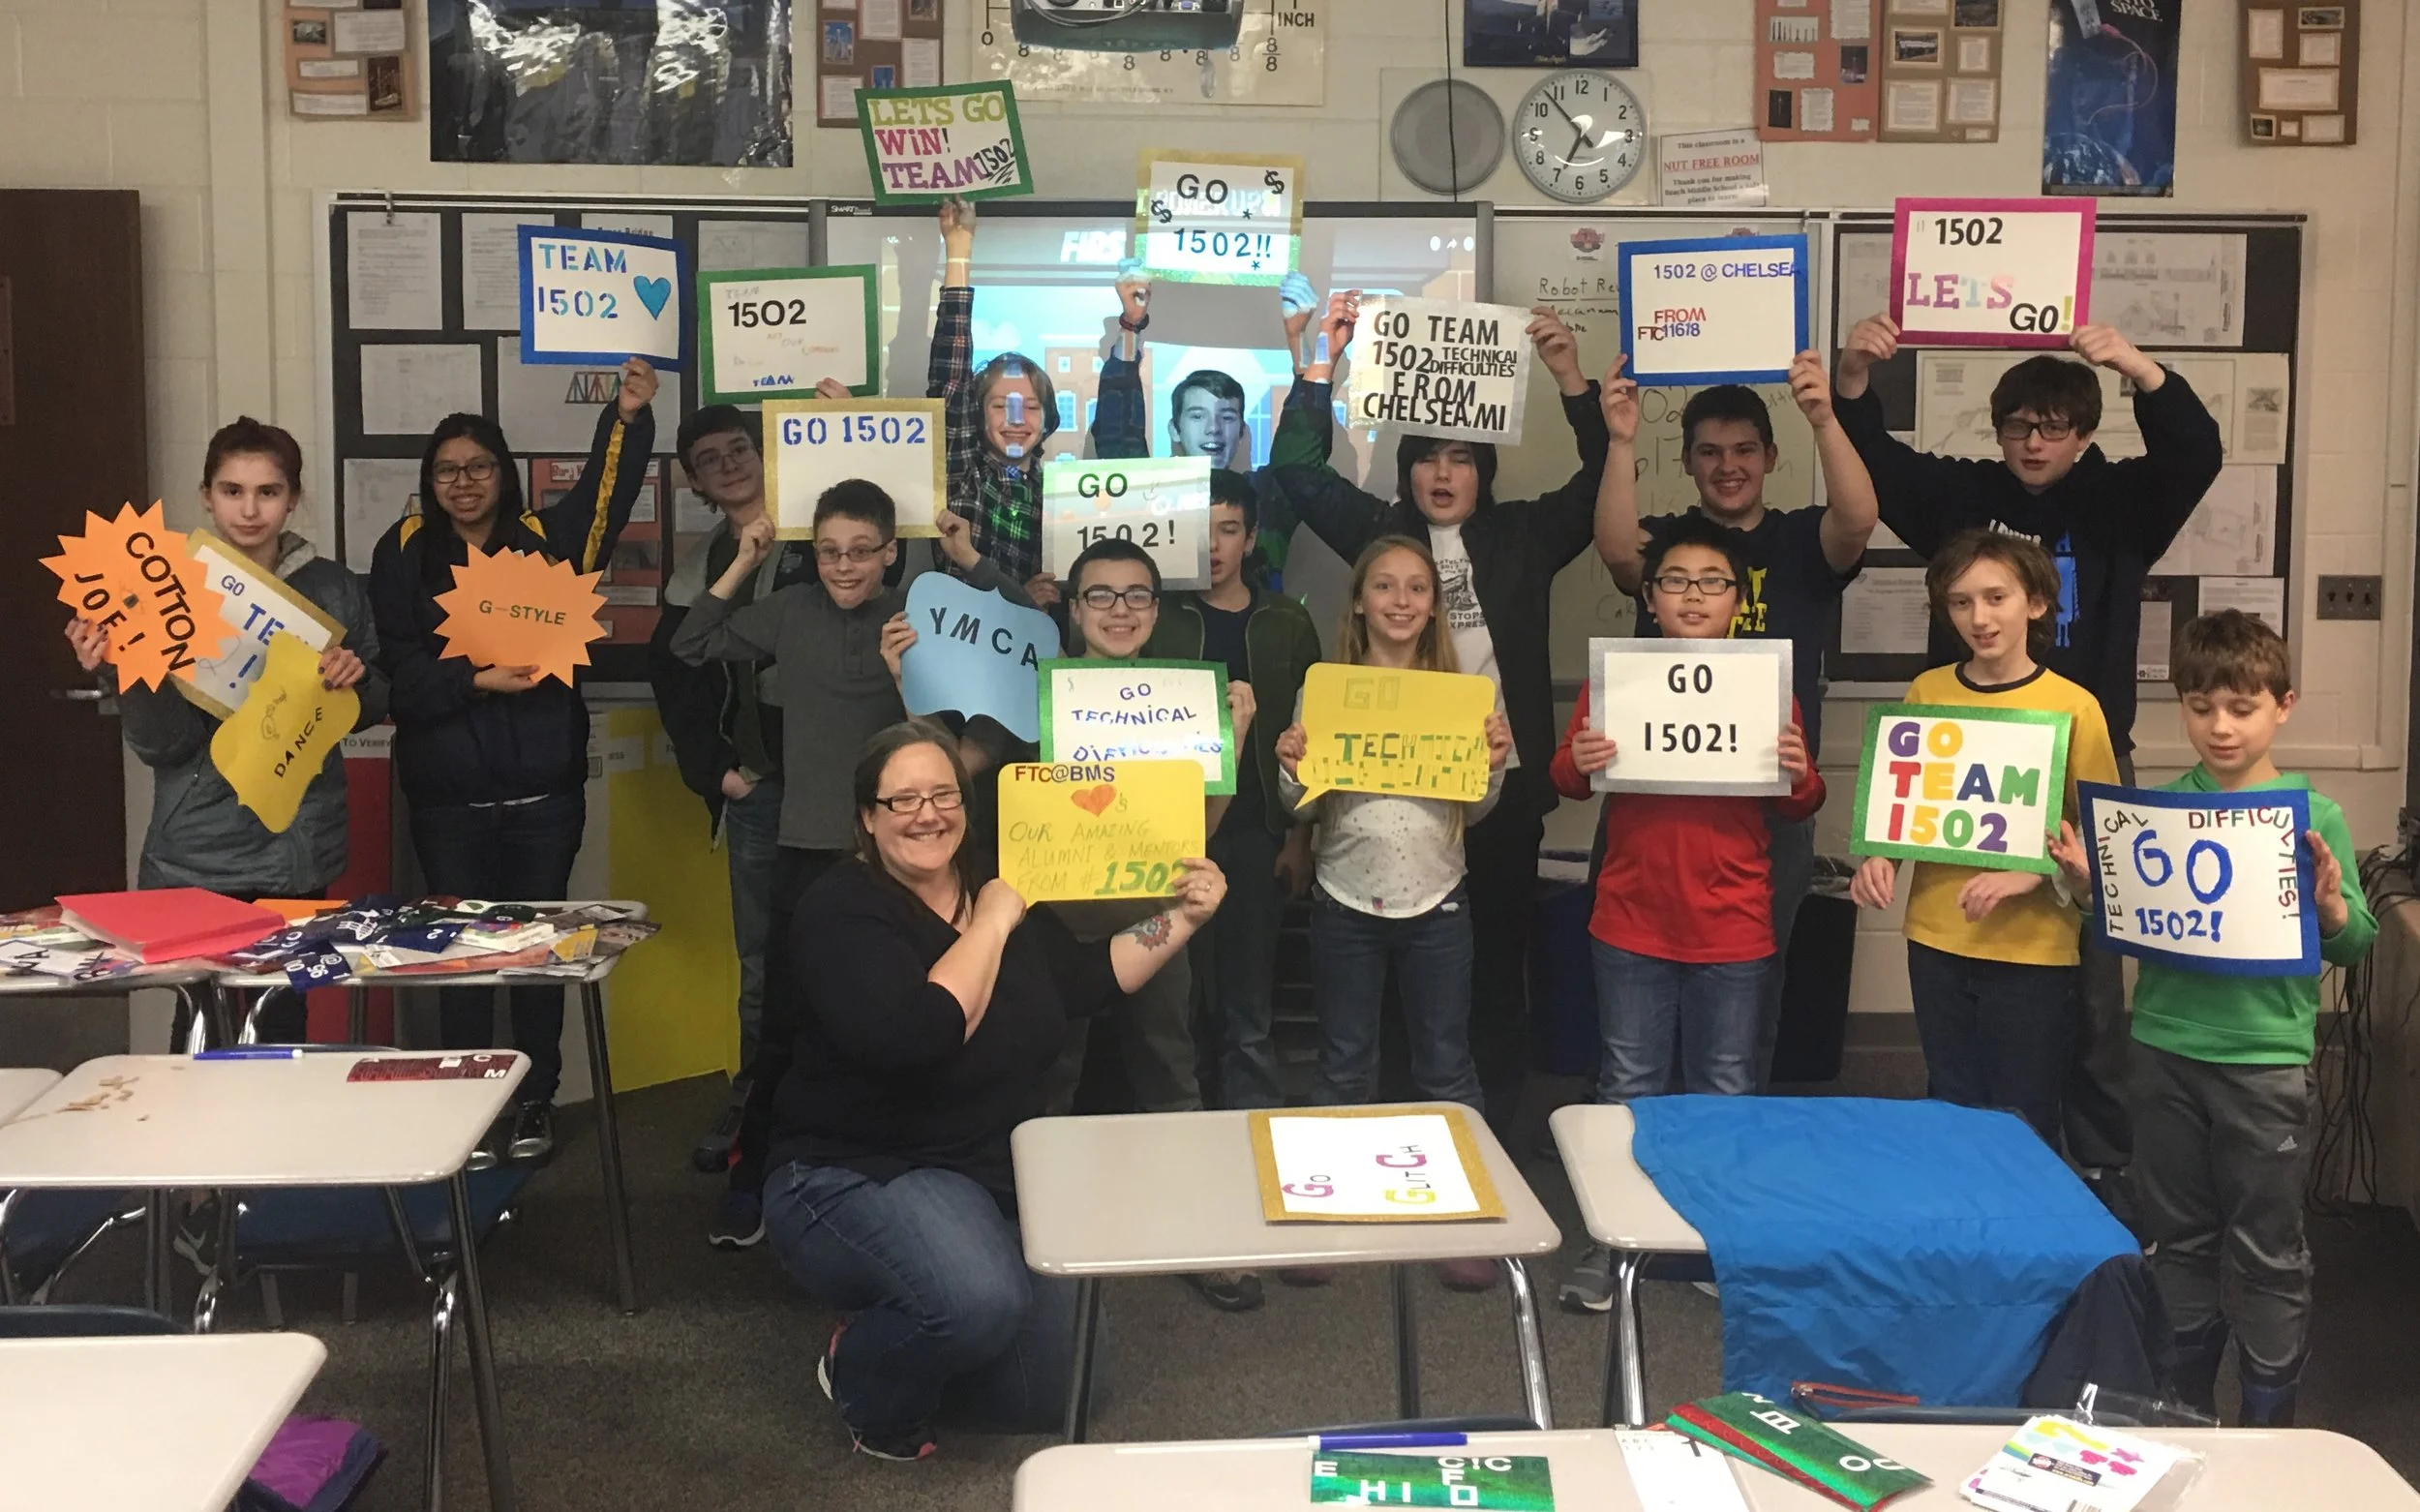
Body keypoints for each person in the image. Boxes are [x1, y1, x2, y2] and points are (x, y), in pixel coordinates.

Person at [1834, 315, 2225, 1206]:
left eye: (2054, 428)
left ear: (2084, 433)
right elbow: (1875, 460)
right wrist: (1853, 378)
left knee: (2088, 986)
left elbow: (2197, 451)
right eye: (2018, 427)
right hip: (1971, 747)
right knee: (1967, 960)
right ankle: (1972, 1152)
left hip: (2085, 745)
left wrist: (2134, 364)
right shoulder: (1964, 496)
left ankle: (2097, 1163)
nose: (2034, 443)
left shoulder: (2121, 498)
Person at [761, 722, 1225, 1462]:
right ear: (867, 818)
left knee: (1063, 1383)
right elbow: (924, 1033)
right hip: (856, 1171)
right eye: (903, 799)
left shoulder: (992, 887)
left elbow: (1088, 981)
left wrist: (1184, 917)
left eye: (944, 795)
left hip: (984, 1174)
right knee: (975, 1302)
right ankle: (864, 1376)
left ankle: (933, 1324)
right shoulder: (839, 909)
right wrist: (996, 919)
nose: (928, 814)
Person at [1265, 299, 1615, 1131]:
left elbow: (1601, 479)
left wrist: (1571, 380)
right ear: (1408, 469)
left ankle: (1488, 1131)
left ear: (1483, 470)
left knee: (1491, 969)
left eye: (1461, 458)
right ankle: (1389, 1128)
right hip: (1386, 797)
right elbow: (1299, 473)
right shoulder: (1382, 534)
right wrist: (1321, 367)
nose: (1444, 474)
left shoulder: (1524, 535)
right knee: (1387, 985)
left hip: (1497, 788)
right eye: (1427, 458)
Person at [675, 482, 1024, 1247]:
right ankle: (755, 1176)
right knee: (781, 1028)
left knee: (906, 1022)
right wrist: (745, 560)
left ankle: (898, 1177)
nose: (844, 566)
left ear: (890, 553)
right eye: (830, 551)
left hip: (898, 860)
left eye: (862, 551)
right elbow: (691, 643)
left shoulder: (918, 614)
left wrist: (918, 658)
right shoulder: (790, 611)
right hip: (805, 849)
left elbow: (1025, 639)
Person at [2047, 611, 2375, 1427]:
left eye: (2241, 708)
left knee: (2268, 1249)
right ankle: (2187, 1404)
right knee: (2180, 1238)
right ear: (2182, 710)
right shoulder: (2155, 812)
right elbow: (2120, 927)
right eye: (2201, 708)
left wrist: (2333, 907)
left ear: (2283, 706)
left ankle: (2269, 1417)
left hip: (2264, 1062)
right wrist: (2088, 889)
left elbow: (2356, 943)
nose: (2221, 727)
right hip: (2164, 1052)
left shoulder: (2314, 816)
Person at [371, 359, 656, 1162]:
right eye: (447, 471)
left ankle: (535, 1100)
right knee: (462, 963)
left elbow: (606, 498)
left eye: (479, 467)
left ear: (503, 473)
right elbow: (397, 677)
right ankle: (468, 1104)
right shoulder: (403, 552)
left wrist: (627, 419)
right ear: (430, 481)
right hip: (447, 801)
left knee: (537, 959)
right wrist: (475, 679)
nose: (464, 484)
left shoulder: (545, 543)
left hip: (543, 799)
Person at [1552, 516, 1824, 1312]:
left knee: (1725, 1089)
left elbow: (1801, 801)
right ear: (1650, 598)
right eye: (1675, 581)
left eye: (1712, 582)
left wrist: (1800, 774)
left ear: (1738, 600)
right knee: (1626, 1087)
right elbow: (1568, 777)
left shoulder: (1764, 684)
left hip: (1732, 921)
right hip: (1631, 917)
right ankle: (1613, 1245)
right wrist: (1580, 760)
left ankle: (1717, 1243)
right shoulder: (1619, 680)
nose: (1693, 596)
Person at [1594, 355, 1877, 1087]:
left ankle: (1733, 1111)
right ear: (1688, 462)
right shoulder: (1671, 542)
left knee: (1753, 980)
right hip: (1652, 795)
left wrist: (1824, 417)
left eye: (1745, 450)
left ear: (1771, 457)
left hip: (1768, 801)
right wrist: (1620, 441)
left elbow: (1858, 521)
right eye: (1711, 452)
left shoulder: (1800, 540)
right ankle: (1641, 1112)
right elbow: (1618, 553)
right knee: (1634, 973)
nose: (1729, 467)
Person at [64, 418, 387, 1041]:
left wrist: (357, 679)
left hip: (296, 845)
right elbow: (163, 745)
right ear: (206, 497)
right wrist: (122, 666)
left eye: (268, 491)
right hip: (197, 850)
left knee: (282, 1023)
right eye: (232, 491)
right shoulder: (157, 590)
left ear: (293, 499)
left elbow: (373, 706)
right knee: (197, 1029)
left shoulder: (332, 588)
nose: (250, 509)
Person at [1025, 536, 1260, 1310]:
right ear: (1073, 608)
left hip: (1159, 918)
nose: (1119, 610)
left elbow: (1201, 830)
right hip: (1058, 922)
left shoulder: (1182, 699)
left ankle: (1197, 1237)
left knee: (1170, 1071)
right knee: (1049, 1079)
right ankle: (1035, 1237)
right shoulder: (1039, 695)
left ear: (1157, 611)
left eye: (1137, 596)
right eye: (1101, 595)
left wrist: (1234, 739)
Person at [1274, 537, 1512, 1290]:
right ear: (1359, 601)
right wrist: (1290, 768)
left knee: (1446, 1063)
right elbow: (1299, 804)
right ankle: (1323, 1217)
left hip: (1438, 899)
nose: (1401, 601)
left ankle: (1465, 1219)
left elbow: (1479, 807)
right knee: (1344, 1062)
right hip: (1344, 895)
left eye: (1416, 588)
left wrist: (1492, 768)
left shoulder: (1465, 695)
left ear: (1435, 605)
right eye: (1384, 586)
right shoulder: (1327, 692)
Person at [1846, 529, 2118, 1144]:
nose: (1979, 617)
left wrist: (2036, 872)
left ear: (2036, 604)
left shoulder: (2074, 706)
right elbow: (1906, 802)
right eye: (1961, 602)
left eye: (1997, 598)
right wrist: (1881, 857)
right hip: (1937, 937)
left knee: (2024, 1114)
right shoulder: (1928, 691)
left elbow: (2105, 838)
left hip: (2033, 949)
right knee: (1950, 1102)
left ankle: (2028, 1210)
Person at [650, 398, 822, 1176]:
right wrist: (715, 773)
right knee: (761, 963)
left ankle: (841, 1106)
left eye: (738, 449)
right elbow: (676, 675)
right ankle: (758, 1103)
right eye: (709, 460)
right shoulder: (701, 566)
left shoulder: (822, 533)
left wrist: (845, 428)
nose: (728, 465)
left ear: (766, 451)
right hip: (760, 789)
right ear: (695, 482)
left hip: (842, 787)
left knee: (855, 950)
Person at [1140, 470, 1321, 1111]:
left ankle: (1250, 1127)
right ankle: (1184, 1125)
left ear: (1250, 538)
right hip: (1172, 832)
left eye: (1228, 529)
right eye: (1200, 530)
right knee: (1178, 998)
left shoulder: (1286, 622)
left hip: (1255, 831)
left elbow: (1313, 735)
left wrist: (1299, 839)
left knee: (1248, 1002)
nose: (1213, 545)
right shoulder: (1157, 617)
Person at [1093, 267, 1327, 582]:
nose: (1213, 428)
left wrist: (1298, 339)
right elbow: (1117, 433)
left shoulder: (1266, 498)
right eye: (1197, 415)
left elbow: (1303, 441)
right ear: (1174, 429)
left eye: (1227, 417)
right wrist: (1130, 324)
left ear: (1241, 432)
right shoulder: (1150, 494)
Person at [926, 197, 1062, 606]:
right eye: (1001, 405)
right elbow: (950, 371)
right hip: (963, 634)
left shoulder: (1058, 495)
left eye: (1031, 407)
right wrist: (959, 248)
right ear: (977, 414)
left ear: (1048, 418)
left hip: (1040, 640)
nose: (1017, 419)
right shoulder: (965, 473)